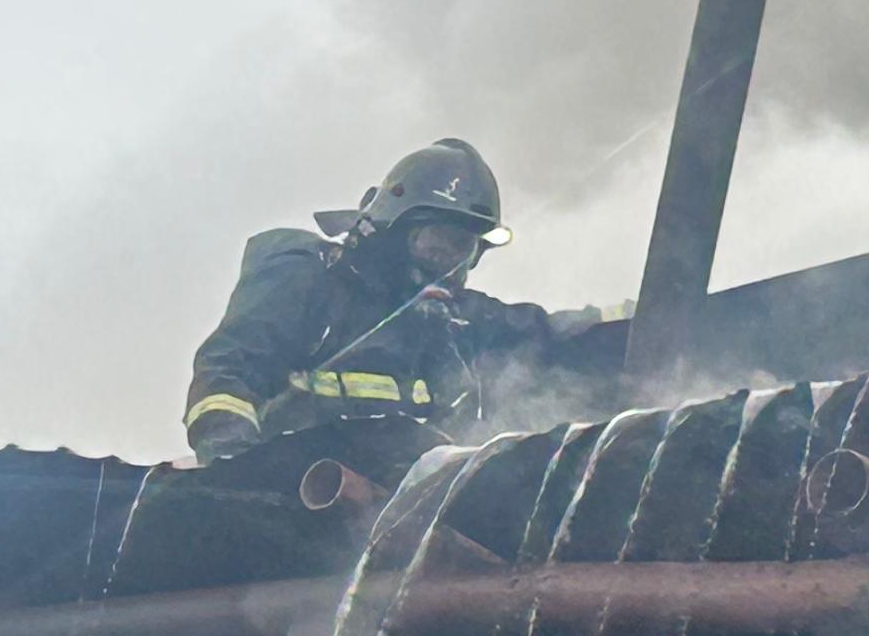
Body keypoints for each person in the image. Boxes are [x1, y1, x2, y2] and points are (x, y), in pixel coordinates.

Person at [182, 139, 599, 477]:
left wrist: (647, 316)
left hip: (396, 511)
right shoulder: (309, 281)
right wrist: (233, 469)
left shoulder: (455, 321)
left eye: (462, 248)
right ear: (393, 228)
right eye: (436, 241)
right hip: (295, 496)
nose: (446, 263)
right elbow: (228, 370)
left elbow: (550, 335)